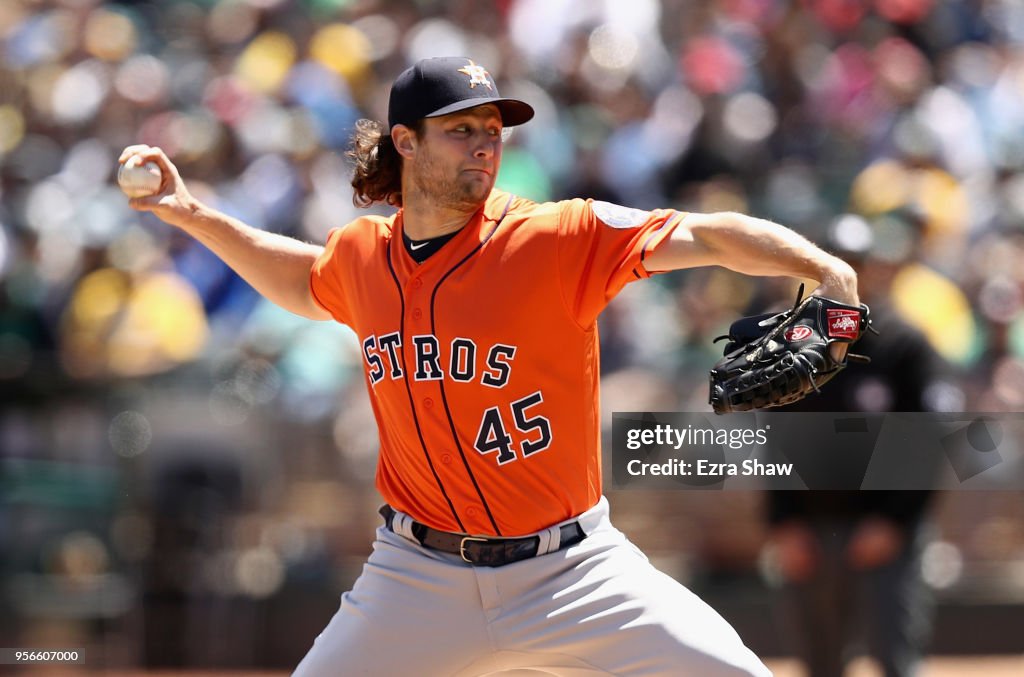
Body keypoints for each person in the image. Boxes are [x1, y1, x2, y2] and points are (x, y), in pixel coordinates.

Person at [120, 56, 860, 676]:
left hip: (574, 569)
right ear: (404, 143)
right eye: (461, 129)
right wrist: (191, 214)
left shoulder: (554, 237)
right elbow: (303, 279)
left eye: (493, 131)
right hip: (416, 576)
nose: (485, 145)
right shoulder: (361, 256)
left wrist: (825, 267)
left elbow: (705, 234)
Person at [764, 214, 956, 677]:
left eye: (852, 265)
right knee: (820, 662)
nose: (840, 278)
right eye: (827, 268)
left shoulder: (905, 344)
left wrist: (894, 521)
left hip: (886, 534)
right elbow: (774, 444)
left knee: (894, 659)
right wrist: (783, 522)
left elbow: (933, 441)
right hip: (812, 532)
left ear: (873, 270)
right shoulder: (792, 348)